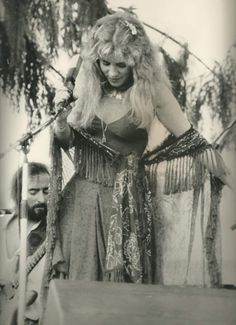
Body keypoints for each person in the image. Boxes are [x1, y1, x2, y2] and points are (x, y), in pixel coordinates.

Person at [44, 11, 233, 290]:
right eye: (105, 63)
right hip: (81, 199)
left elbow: (197, 145)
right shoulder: (90, 86)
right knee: (76, 289)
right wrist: (60, 124)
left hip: (125, 204)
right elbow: (68, 140)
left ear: (137, 62)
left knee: (120, 294)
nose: (112, 72)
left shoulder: (152, 91)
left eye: (121, 65)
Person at [0, 162, 50, 325]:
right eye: (33, 192)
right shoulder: (4, 225)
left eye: (47, 191)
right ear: (19, 194)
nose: (41, 199)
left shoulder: (52, 231)